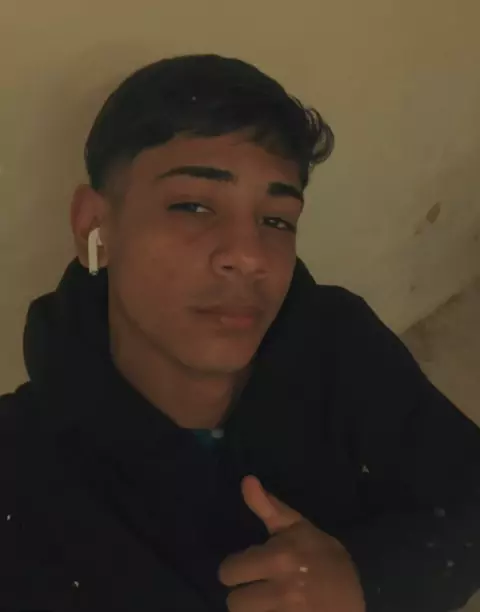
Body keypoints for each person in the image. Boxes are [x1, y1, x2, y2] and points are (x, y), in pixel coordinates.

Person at [1, 54, 479, 612]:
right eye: (192, 206)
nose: (249, 256)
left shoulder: (333, 340)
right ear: (94, 226)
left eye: (276, 220)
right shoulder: (20, 469)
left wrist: (368, 581)